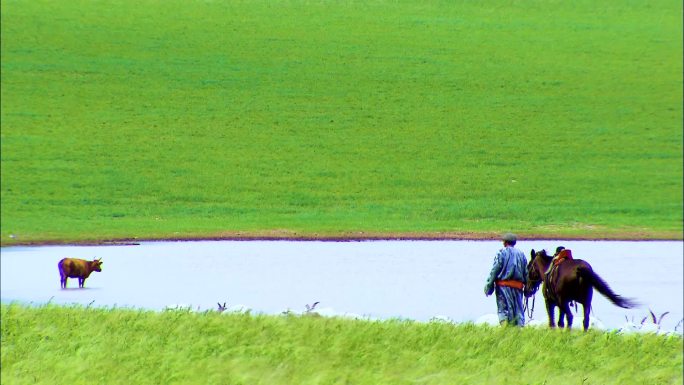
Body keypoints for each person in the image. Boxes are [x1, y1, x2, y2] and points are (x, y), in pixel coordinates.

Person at [484, 233, 529, 326]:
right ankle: (519, 332)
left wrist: (489, 286)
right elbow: (526, 273)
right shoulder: (522, 254)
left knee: (503, 311)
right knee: (518, 311)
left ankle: (505, 331)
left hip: (503, 287)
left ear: (505, 243)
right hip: (518, 288)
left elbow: (495, 270)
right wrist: (528, 288)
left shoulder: (501, 253)